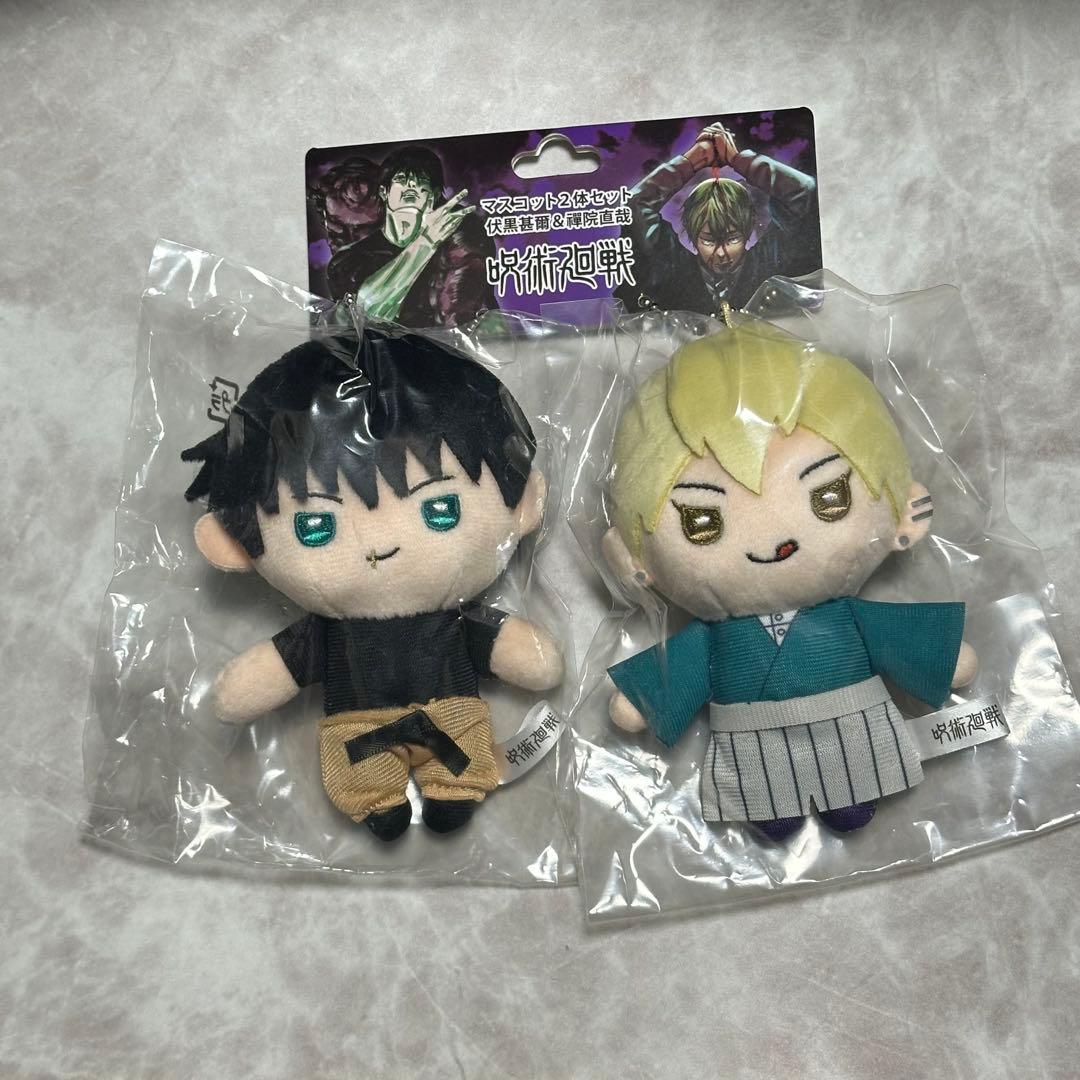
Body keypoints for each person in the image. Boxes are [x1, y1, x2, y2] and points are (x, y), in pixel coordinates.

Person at [182, 329, 562, 841]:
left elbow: (512, 650)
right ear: (235, 542)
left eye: (440, 508)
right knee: (361, 768)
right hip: (360, 730)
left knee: (456, 755)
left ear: (523, 505)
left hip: (449, 717)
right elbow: (278, 668)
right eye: (316, 526)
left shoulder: (452, 619)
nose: (382, 543)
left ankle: (452, 788)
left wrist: (529, 656)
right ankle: (377, 800)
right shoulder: (328, 631)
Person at [601, 325, 976, 841]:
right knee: (770, 805)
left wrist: (942, 656)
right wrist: (644, 698)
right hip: (754, 745)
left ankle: (847, 792)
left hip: (851, 728)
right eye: (702, 521)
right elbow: (683, 668)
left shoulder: (845, 616)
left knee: (853, 792)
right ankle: (772, 802)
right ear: (635, 558)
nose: (774, 540)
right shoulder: (720, 636)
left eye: (829, 498)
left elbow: (896, 637)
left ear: (904, 509)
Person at [616, 123, 820, 317]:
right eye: (709, 240)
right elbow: (634, 204)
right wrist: (690, 162)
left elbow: (804, 191)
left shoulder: (767, 259)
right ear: (693, 234)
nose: (721, 254)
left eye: (732, 239)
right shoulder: (673, 264)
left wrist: (739, 160)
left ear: (747, 230)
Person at [324, 147, 496, 327]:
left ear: (434, 195)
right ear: (384, 192)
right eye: (401, 180)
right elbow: (365, 315)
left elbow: (466, 313)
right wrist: (426, 242)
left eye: (422, 182)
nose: (412, 185)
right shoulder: (348, 262)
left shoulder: (459, 239)